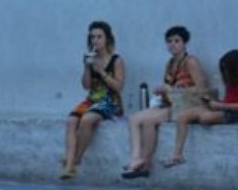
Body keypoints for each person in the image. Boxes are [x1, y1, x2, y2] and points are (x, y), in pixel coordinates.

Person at [122, 25, 207, 178]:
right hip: (170, 104)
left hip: (186, 106)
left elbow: (201, 88)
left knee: (144, 120)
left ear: (184, 43)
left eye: (177, 40)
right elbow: (169, 88)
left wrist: (175, 90)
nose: (172, 44)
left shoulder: (191, 62)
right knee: (136, 119)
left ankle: (141, 162)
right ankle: (141, 161)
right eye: (169, 41)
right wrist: (164, 91)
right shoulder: (169, 64)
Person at [61, 20, 126, 180]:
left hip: (111, 101)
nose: (95, 41)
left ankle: (75, 160)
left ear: (107, 39)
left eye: (99, 37)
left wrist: (102, 71)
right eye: (92, 37)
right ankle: (70, 166)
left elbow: (119, 87)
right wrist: (87, 68)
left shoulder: (116, 60)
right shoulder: (91, 58)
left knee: (87, 120)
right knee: (70, 121)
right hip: (92, 100)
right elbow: (86, 85)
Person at [164, 49, 238, 167]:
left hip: (233, 113)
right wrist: (211, 101)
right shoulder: (230, 83)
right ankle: (177, 154)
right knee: (183, 116)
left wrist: (221, 105)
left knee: (205, 118)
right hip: (223, 108)